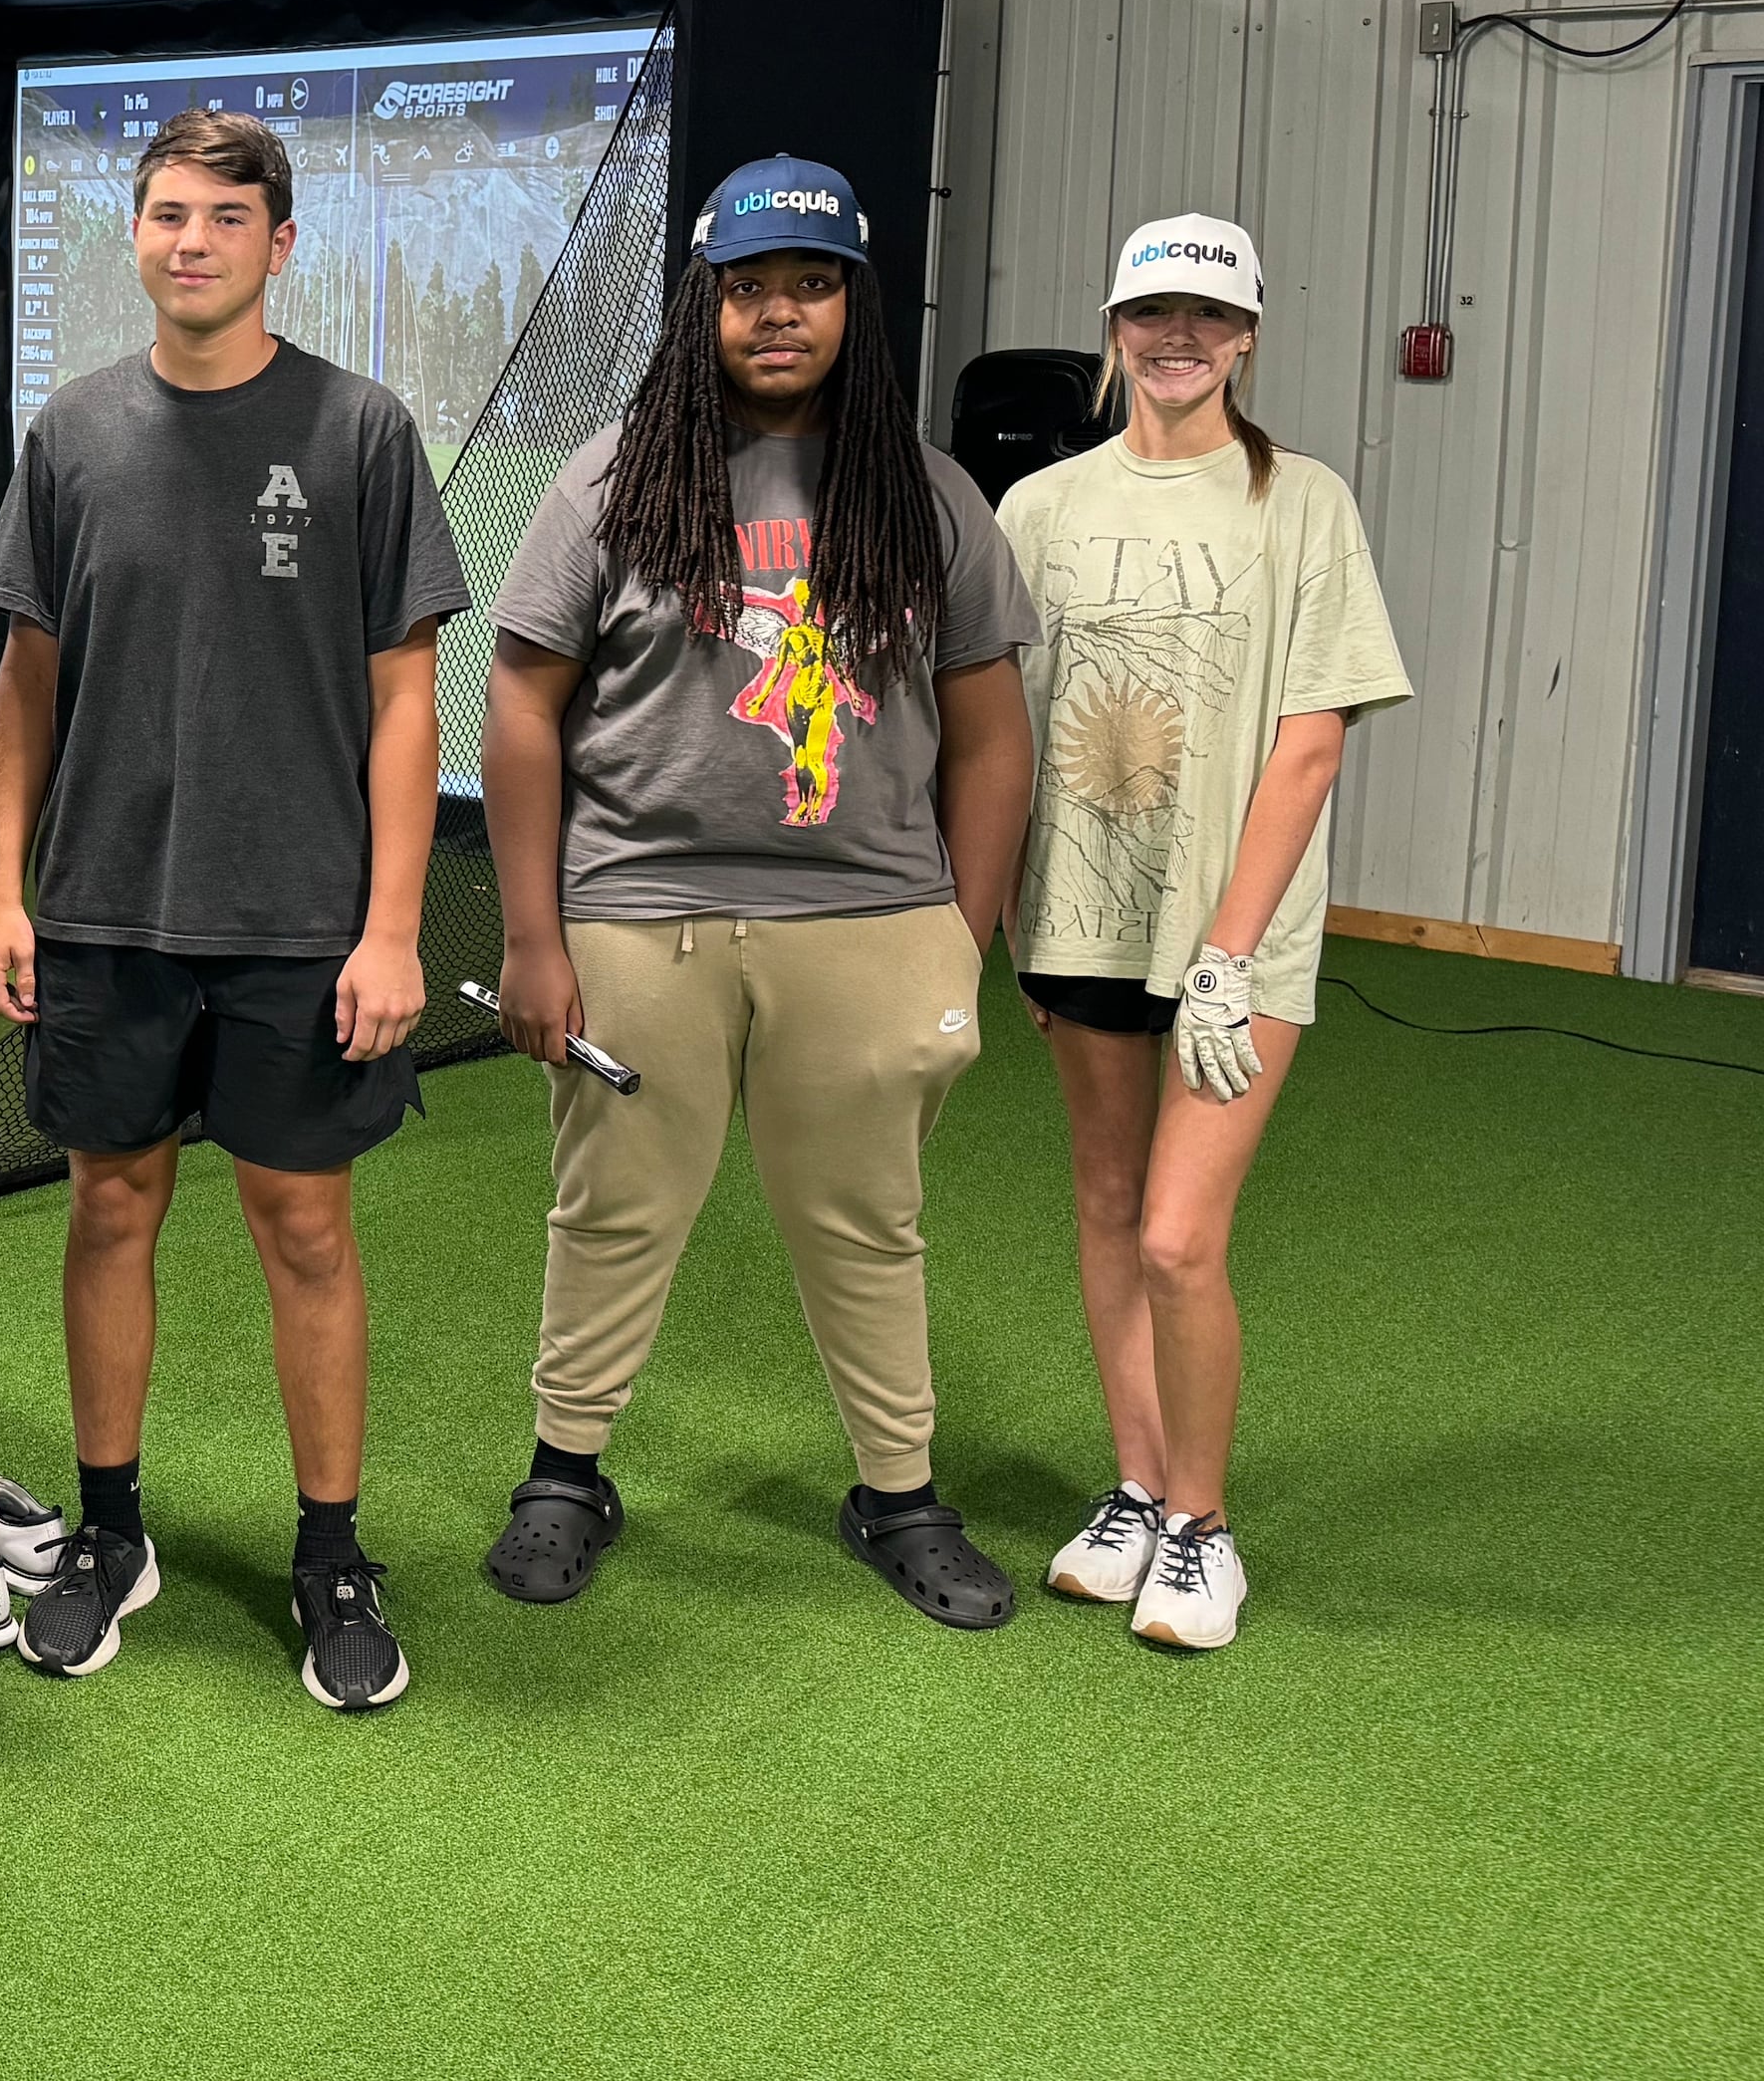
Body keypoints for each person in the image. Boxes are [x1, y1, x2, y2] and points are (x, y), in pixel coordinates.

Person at [479, 160, 1039, 1630]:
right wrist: (533, 937)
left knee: (869, 1222)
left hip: (869, 918)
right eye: (747, 288)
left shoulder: (926, 494)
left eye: (811, 284)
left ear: (855, 303)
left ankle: (898, 1494)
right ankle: (565, 1474)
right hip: (640, 910)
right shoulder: (611, 480)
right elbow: (523, 709)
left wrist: (958, 938)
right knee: (613, 1211)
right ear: (704, 304)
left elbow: (993, 738)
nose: (778, 313)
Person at [0, 109, 468, 1715]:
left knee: (304, 1227)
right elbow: (26, 683)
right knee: (109, 1211)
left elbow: (409, 701)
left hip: (302, 921)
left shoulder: (361, 431)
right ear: (137, 236)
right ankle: (108, 1533)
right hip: (106, 912)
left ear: (281, 244)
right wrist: (4, 889)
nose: (191, 241)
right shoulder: (71, 434)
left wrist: (392, 928)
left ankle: (332, 1554)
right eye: (168, 214)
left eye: (225, 217)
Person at [999, 214, 1408, 1653]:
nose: (1179, 338)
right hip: (1079, 922)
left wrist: (1228, 954)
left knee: (1180, 1239)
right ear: (1115, 330)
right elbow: (1002, 729)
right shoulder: (1038, 509)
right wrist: (1006, 917)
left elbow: (1311, 745)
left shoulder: (1302, 503)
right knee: (1110, 1211)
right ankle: (1137, 1490)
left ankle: (1204, 1525)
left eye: (1208, 316)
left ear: (1246, 338)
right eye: (1152, 313)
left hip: (1236, 944)